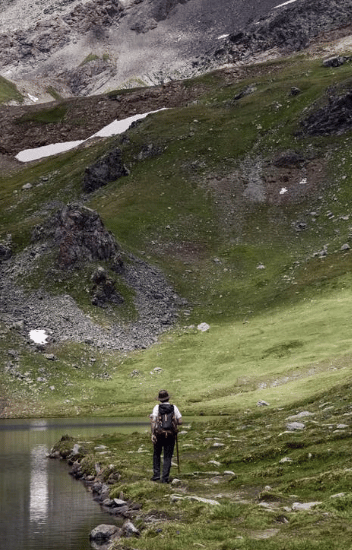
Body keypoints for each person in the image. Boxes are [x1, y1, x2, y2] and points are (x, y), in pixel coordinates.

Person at [150, 389, 182, 483]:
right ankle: (165, 478)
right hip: (171, 435)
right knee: (167, 456)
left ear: (160, 399)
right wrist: (173, 423)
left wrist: (152, 434)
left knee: (156, 454)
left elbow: (153, 421)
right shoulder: (174, 407)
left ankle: (156, 475)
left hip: (159, 434)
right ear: (168, 398)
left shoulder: (156, 407)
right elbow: (180, 421)